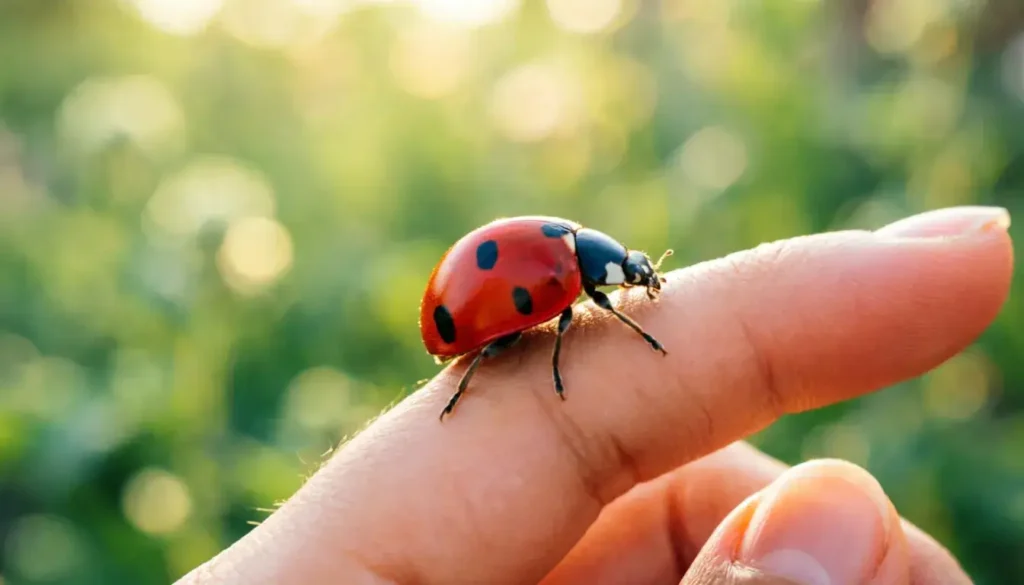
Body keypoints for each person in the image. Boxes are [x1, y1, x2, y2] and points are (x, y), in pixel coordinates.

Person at [177, 206, 1013, 585]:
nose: (633, 283)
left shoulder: (570, 264)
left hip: (470, 321)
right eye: (628, 275)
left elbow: (570, 307)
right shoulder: (568, 271)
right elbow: (561, 324)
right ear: (602, 271)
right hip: (464, 334)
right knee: (529, 345)